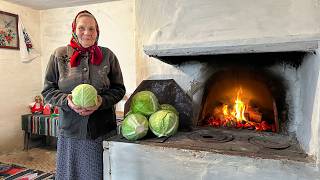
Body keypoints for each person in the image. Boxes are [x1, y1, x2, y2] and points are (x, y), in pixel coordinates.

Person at [41, 10, 126, 179]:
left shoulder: (108, 55)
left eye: (91, 29)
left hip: (101, 129)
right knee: (70, 174)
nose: (87, 33)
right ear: (74, 29)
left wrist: (101, 101)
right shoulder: (59, 55)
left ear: (97, 31)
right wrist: (67, 101)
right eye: (82, 28)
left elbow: (119, 89)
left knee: (98, 174)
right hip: (70, 131)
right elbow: (48, 91)